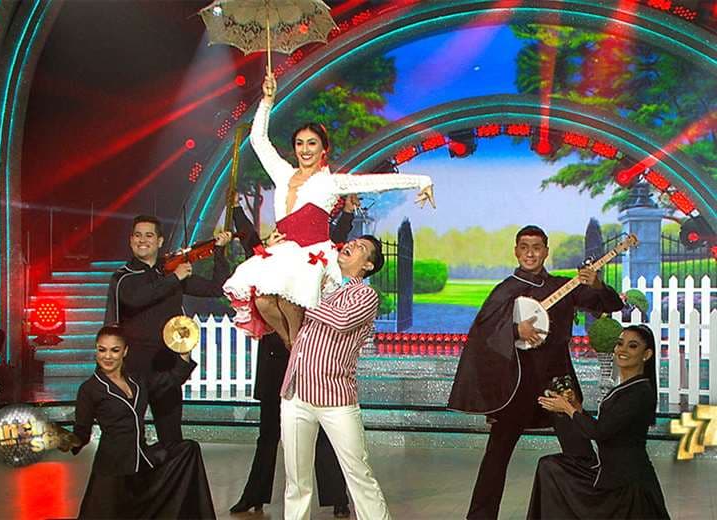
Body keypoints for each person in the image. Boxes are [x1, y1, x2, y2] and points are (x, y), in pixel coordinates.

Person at [223, 72, 435, 348]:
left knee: (288, 299)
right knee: (263, 300)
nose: (305, 149)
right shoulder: (282, 174)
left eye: (312, 143)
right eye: (300, 143)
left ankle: (298, 347)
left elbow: (374, 182)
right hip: (282, 252)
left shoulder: (330, 182)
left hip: (310, 254)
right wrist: (267, 100)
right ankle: (292, 345)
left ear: (324, 149)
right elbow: (258, 141)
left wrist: (421, 181)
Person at [447, 225, 624, 519]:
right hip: (515, 386)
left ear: (546, 252)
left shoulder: (562, 287)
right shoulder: (505, 289)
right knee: (496, 457)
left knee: (581, 451)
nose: (530, 253)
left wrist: (596, 285)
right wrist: (515, 329)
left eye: (537, 247)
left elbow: (611, 304)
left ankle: (600, 512)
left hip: (557, 383)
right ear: (516, 251)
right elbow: (482, 332)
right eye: (525, 247)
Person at [229, 201, 354, 517]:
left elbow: (336, 239)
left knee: (321, 429)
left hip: (310, 357)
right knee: (269, 432)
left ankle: (337, 497)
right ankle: (254, 495)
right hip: (275, 358)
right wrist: (236, 210)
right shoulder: (271, 253)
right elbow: (249, 240)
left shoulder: (313, 255)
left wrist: (349, 214)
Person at [280, 233, 391, 520]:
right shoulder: (320, 284)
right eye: (352, 242)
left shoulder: (364, 295)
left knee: (358, 473)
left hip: (335, 397)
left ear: (367, 265)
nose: (351, 245)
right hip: (295, 393)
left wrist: (303, 295)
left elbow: (341, 321)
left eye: (361, 247)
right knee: (296, 481)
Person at [104, 214, 232, 443]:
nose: (142, 240)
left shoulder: (170, 272)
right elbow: (138, 298)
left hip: (167, 368)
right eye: (137, 235)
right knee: (128, 437)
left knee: (172, 438)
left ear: (160, 241)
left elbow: (216, 288)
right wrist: (175, 278)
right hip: (133, 369)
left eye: (149, 236)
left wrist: (220, 251)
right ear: (131, 240)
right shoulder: (123, 277)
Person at [65, 325, 216, 519]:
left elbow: (172, 379)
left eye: (114, 350)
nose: (107, 356)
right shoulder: (89, 389)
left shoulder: (137, 381)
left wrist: (184, 351)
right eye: (102, 350)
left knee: (188, 449)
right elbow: (81, 433)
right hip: (112, 470)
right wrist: (62, 439)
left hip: (142, 461)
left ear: (125, 351)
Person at [528, 324, 670, 519]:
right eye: (620, 344)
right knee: (549, 466)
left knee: (551, 468)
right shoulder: (628, 388)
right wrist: (576, 407)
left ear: (646, 355)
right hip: (610, 474)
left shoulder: (639, 392)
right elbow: (605, 427)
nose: (622, 350)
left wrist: (568, 409)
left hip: (625, 483)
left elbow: (599, 432)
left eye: (632, 346)